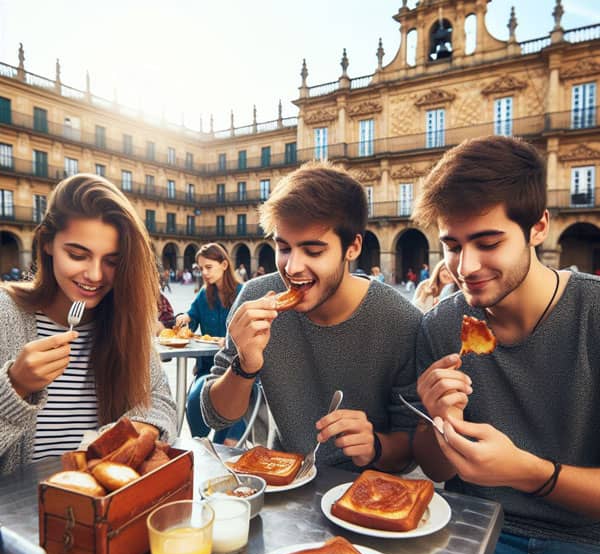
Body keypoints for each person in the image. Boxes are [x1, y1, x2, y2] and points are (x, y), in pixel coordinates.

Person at [410, 136, 600, 554]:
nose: (466, 266)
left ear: (538, 228)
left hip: (588, 551)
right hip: (474, 537)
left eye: (488, 242)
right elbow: (433, 468)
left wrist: (525, 471)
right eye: (452, 245)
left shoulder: (592, 314)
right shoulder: (441, 325)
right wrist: (439, 420)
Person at [200, 162, 422, 471]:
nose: (292, 268)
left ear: (353, 247)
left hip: (368, 493)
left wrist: (375, 446)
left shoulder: (401, 321)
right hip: (284, 479)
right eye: (284, 248)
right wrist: (244, 365)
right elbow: (216, 415)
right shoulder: (255, 298)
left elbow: (413, 446)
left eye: (313, 251)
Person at [0, 174, 177, 476]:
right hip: (15, 517)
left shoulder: (124, 320)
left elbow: (161, 401)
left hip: (103, 513)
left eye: (111, 261)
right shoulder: (6, 314)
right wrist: (15, 386)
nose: (95, 275)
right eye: (78, 254)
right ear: (46, 243)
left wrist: (137, 430)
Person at [175, 243, 244, 444]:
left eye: (208, 267)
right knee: (195, 396)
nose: (204, 273)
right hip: (208, 369)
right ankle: (202, 441)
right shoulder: (204, 295)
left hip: (238, 370)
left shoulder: (243, 293)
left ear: (224, 265)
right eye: (200, 268)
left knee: (234, 398)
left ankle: (223, 444)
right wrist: (185, 318)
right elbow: (192, 319)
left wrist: (231, 340)